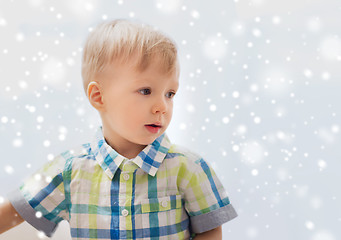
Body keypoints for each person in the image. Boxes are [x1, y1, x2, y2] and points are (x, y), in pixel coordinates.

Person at [0, 19, 237, 240]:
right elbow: (15, 210)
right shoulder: (70, 171)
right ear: (98, 96)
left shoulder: (189, 168)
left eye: (170, 94)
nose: (161, 107)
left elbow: (210, 229)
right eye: (146, 91)